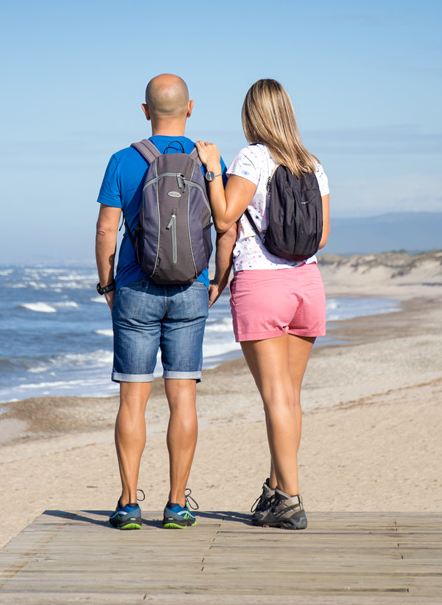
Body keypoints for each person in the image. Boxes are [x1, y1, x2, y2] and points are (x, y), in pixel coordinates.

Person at [95, 73, 235, 530]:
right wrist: (217, 280)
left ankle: (129, 503)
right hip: (190, 290)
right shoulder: (208, 158)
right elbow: (224, 223)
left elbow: (104, 231)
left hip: (135, 290)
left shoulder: (122, 160)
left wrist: (108, 286)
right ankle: (176, 504)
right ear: (189, 108)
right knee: (183, 400)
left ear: (144, 110)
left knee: (132, 403)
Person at [195, 78, 330, 531]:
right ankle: (275, 489)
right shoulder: (312, 164)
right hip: (307, 284)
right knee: (289, 398)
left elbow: (224, 216)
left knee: (275, 398)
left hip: (262, 285)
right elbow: (323, 236)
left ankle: (291, 499)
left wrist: (213, 169)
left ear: (251, 116)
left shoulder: (251, 157)